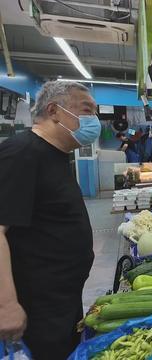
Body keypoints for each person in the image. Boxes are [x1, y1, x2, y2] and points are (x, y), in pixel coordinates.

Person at [0, 81, 97, 359]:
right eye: (86, 109)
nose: (93, 119)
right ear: (54, 110)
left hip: (59, 300)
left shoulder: (55, 155)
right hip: (35, 308)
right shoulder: (22, 153)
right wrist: (6, 305)